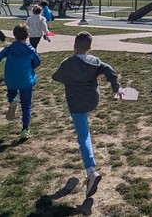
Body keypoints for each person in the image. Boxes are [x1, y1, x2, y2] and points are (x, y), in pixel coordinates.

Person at [52, 31, 122, 199]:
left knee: (83, 136)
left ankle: (91, 172)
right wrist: (116, 88)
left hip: (76, 104)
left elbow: (56, 77)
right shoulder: (95, 62)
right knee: (85, 132)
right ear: (89, 48)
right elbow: (110, 71)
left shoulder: (67, 63)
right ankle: (90, 170)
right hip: (92, 101)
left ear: (74, 46)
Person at [0, 24, 41, 140]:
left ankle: (13, 101)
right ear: (27, 36)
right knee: (26, 105)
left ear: (14, 36)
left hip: (11, 78)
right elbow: (37, 62)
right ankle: (25, 129)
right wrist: (31, 67)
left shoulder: (9, 48)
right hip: (26, 80)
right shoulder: (30, 50)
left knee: (12, 91)